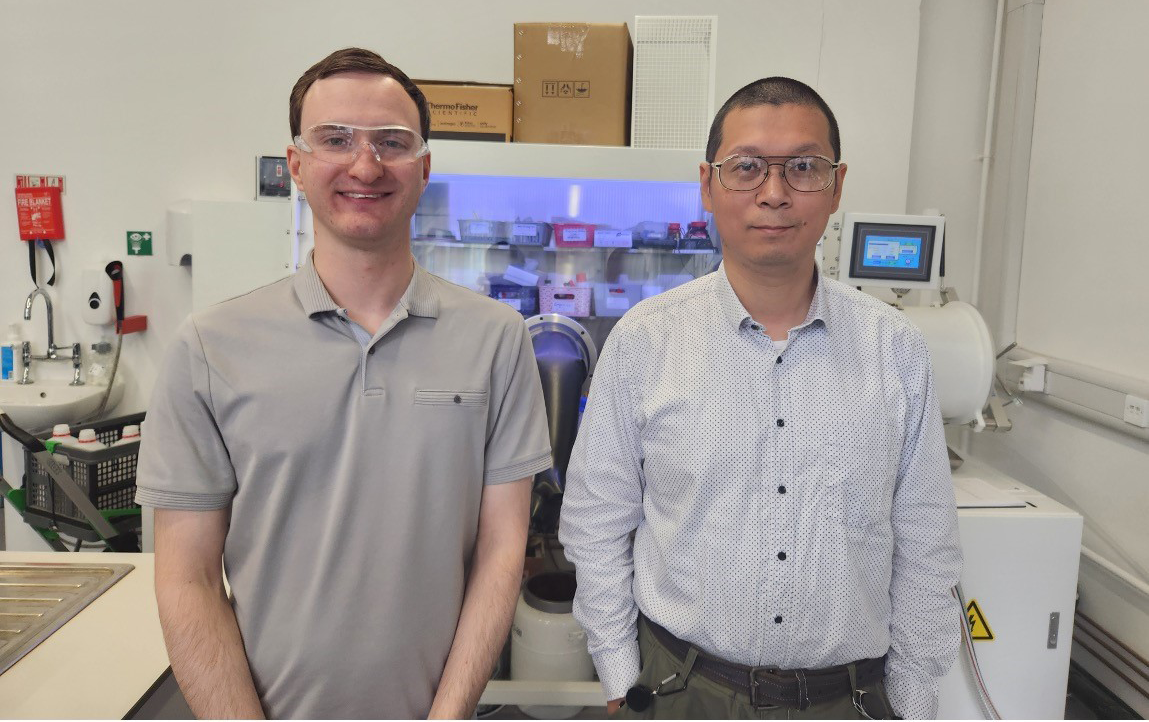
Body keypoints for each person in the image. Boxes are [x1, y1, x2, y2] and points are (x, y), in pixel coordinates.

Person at [136, 48, 552, 719]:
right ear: (295, 165)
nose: (365, 165)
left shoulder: (496, 338)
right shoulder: (211, 346)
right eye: (335, 139)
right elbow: (187, 578)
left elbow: (501, 552)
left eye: (392, 141)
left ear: (424, 168)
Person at [558, 77, 963, 719]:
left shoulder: (895, 349)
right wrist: (618, 674)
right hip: (680, 691)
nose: (774, 193)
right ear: (707, 184)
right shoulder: (645, 339)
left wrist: (912, 704)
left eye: (803, 167)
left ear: (836, 185)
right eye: (746, 167)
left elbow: (927, 544)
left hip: (849, 701)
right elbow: (597, 518)